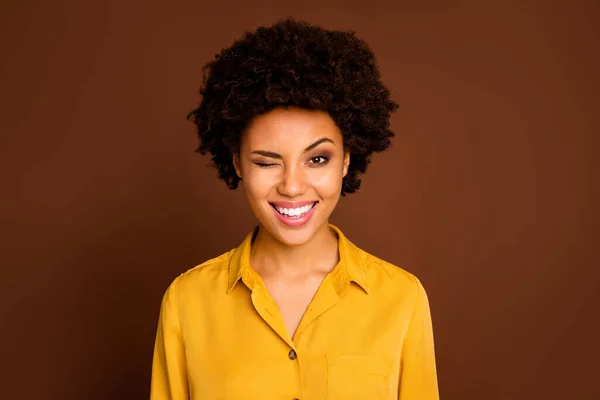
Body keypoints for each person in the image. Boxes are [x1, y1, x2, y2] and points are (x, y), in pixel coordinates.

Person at [150, 17, 439, 400]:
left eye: (317, 159)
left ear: (347, 160)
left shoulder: (401, 298)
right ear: (237, 162)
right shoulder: (186, 302)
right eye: (267, 162)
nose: (291, 185)